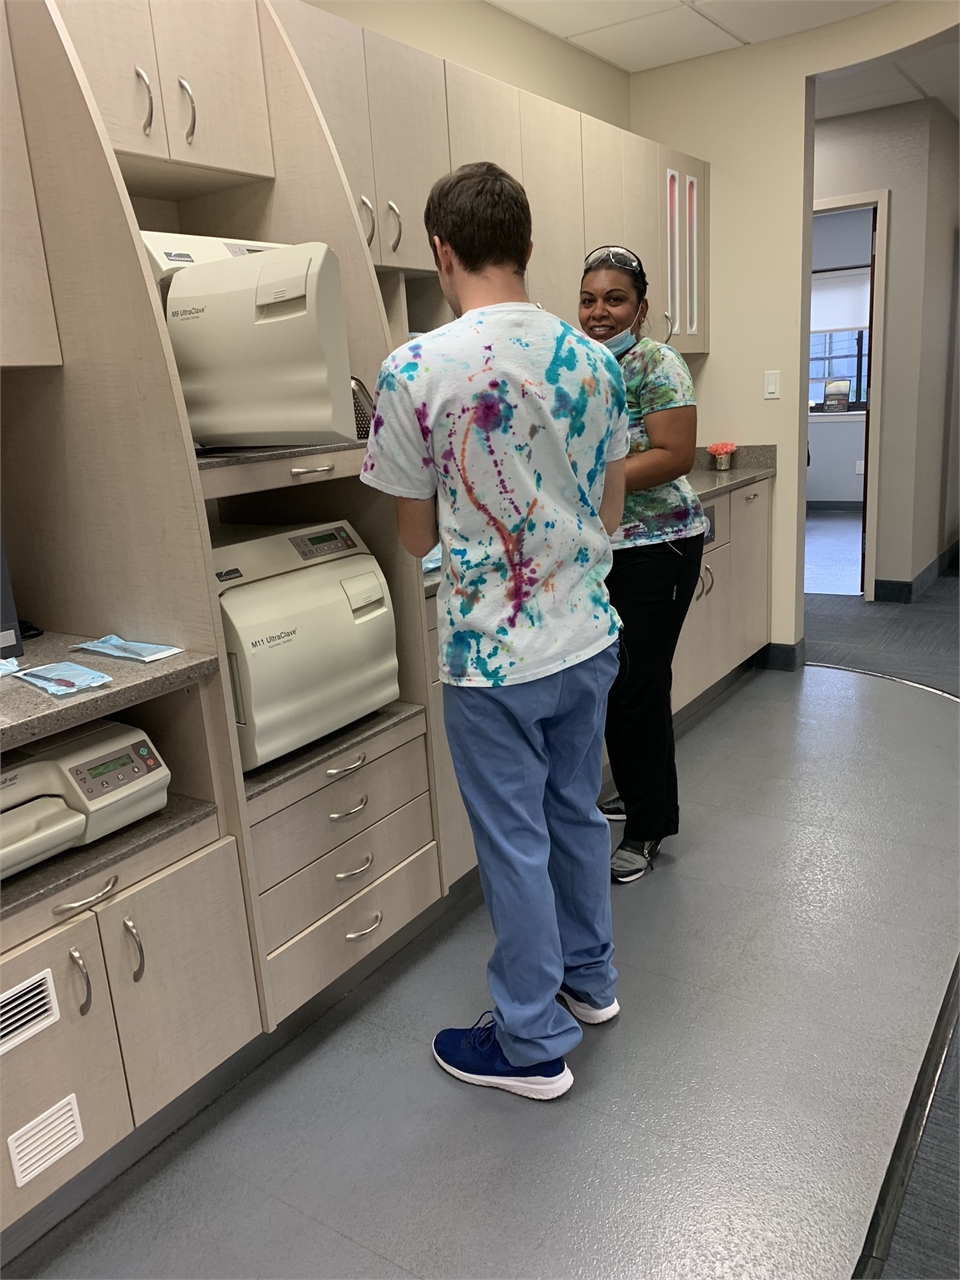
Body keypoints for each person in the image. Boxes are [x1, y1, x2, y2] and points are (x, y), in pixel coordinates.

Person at [361, 164, 628, 1101]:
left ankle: (531, 1042)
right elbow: (609, 508)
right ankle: (591, 982)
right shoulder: (597, 361)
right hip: (588, 636)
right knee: (577, 814)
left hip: (493, 657)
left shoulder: (413, 369)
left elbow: (414, 538)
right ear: (527, 246)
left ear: (441, 250)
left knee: (514, 840)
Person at [578, 246, 706, 884]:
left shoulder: (656, 362)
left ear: (641, 308)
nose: (599, 312)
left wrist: (589, 478)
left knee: (638, 686)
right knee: (612, 681)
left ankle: (649, 825)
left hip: (660, 545)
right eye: (589, 300)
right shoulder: (577, 365)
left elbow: (675, 454)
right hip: (603, 551)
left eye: (615, 299)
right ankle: (635, 788)